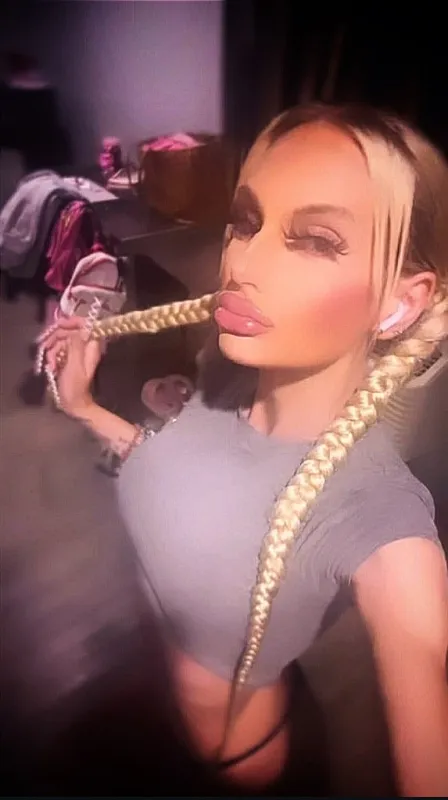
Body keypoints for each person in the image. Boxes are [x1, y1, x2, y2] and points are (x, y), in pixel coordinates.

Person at [39, 103, 448, 795]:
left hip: (233, 765)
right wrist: (86, 409)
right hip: (155, 697)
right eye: (247, 221)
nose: (243, 262)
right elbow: (180, 484)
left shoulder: (380, 522)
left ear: (399, 304)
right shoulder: (227, 374)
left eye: (315, 240)